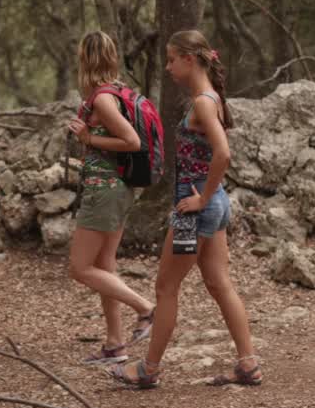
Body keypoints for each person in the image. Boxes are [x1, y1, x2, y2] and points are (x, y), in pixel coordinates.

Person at [111, 30, 261, 389]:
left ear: (190, 59)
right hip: (214, 204)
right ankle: (248, 364)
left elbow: (223, 154)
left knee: (165, 287)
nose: (167, 67)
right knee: (218, 282)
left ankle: (148, 370)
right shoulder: (210, 98)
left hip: (197, 208)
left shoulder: (204, 103)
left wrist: (201, 199)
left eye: (171, 59)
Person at [64, 31, 157, 366]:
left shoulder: (103, 99)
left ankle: (146, 308)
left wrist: (89, 136)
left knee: (80, 267)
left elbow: (132, 141)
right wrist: (88, 137)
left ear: (85, 59)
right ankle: (115, 345)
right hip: (117, 188)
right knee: (105, 265)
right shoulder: (116, 92)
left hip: (105, 191)